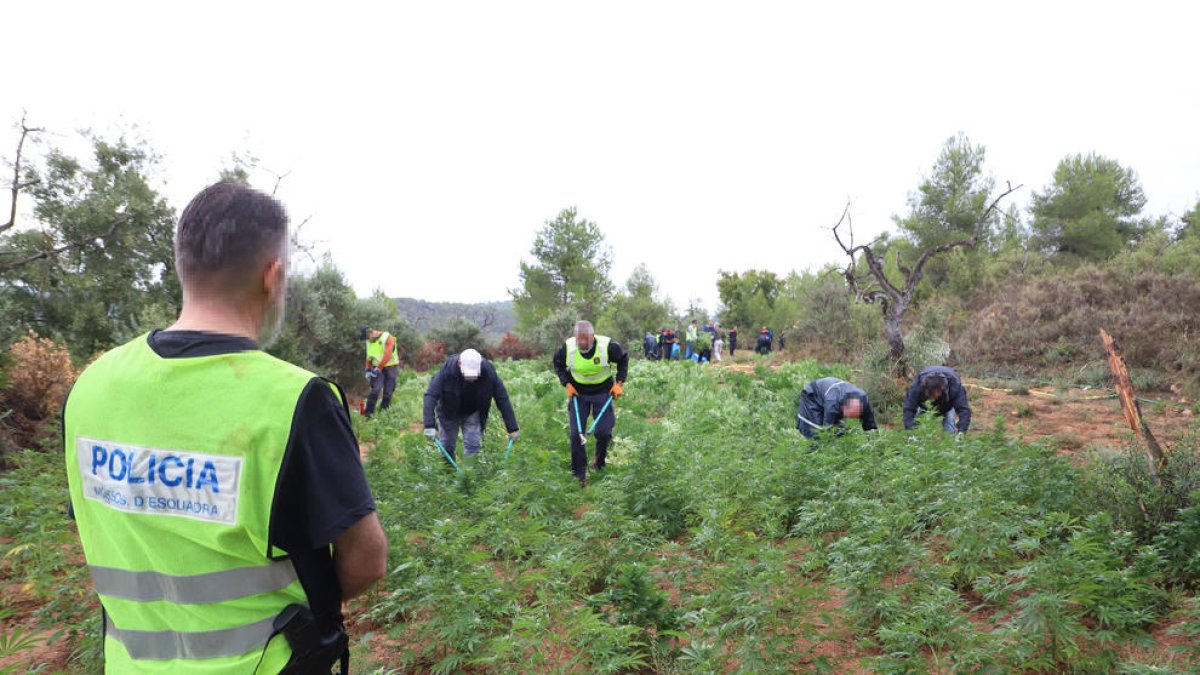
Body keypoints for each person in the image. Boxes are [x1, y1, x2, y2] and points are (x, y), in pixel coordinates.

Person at [63, 182, 387, 673]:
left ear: (182, 266)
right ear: (272, 275)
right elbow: (366, 559)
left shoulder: (91, 386)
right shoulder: (296, 400)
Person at [553, 320, 629, 487]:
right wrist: (566, 383)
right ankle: (579, 474)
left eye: (585, 339)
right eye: (579, 339)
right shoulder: (567, 348)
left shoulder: (607, 346)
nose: (582, 343)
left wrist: (619, 383)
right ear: (576, 337)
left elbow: (623, 359)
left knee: (603, 432)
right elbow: (557, 364)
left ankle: (599, 462)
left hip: (603, 392)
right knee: (575, 434)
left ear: (592, 336)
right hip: (578, 393)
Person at [423, 348, 519, 459]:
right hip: (448, 412)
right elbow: (430, 395)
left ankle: (471, 473)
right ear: (459, 364)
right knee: (447, 447)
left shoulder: (488, 372)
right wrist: (429, 425)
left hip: (472, 411)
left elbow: (502, 398)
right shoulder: (447, 371)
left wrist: (512, 428)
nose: (471, 379)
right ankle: (448, 473)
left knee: (473, 446)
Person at [796, 377, 878, 439]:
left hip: (828, 395)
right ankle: (812, 456)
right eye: (848, 416)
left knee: (842, 431)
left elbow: (871, 428)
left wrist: (877, 449)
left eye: (854, 417)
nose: (849, 419)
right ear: (844, 407)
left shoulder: (864, 401)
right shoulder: (833, 403)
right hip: (812, 396)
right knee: (817, 432)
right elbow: (827, 428)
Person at [903, 365, 972, 434]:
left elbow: (964, 410)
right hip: (924, 406)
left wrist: (961, 432)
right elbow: (908, 408)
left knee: (949, 427)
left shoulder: (954, 386)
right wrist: (911, 431)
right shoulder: (917, 387)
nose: (933, 398)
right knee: (916, 426)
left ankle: (949, 442)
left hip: (947, 406)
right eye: (930, 395)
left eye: (935, 395)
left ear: (941, 390)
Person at [362, 325, 400, 417]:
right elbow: (369, 357)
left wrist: (379, 368)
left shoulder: (388, 337)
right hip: (376, 367)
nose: (367, 339)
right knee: (375, 390)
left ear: (370, 333)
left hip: (390, 367)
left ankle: (384, 412)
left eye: (367, 337)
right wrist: (367, 369)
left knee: (388, 392)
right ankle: (368, 413)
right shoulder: (369, 341)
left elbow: (387, 355)